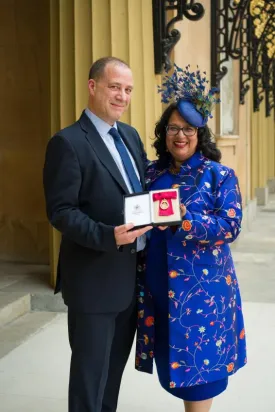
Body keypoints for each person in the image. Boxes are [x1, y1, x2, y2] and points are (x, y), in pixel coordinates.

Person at [43, 56, 152, 412]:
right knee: (90, 380)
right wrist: (109, 236)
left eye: (128, 89)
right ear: (93, 87)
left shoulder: (131, 136)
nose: (122, 96)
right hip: (93, 281)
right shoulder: (68, 142)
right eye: (114, 87)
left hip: (129, 279)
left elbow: (141, 188)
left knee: (112, 377)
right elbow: (61, 212)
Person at [135, 65, 247, 412]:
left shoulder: (218, 175)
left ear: (200, 134)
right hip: (158, 291)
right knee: (172, 373)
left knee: (199, 380)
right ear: (163, 132)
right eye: (172, 128)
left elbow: (229, 227)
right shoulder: (151, 172)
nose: (179, 136)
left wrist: (187, 219)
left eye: (187, 129)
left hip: (201, 297)